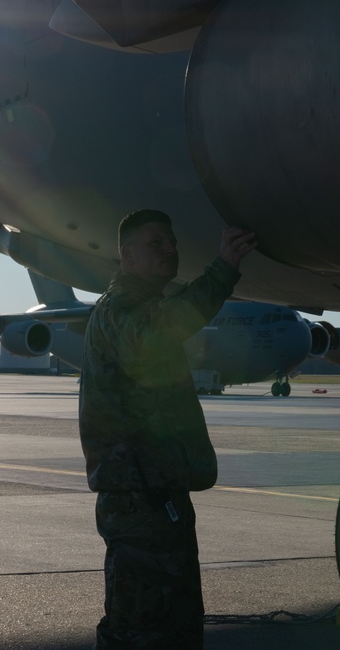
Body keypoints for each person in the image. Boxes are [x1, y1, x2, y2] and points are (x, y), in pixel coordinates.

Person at [78, 209, 256, 649]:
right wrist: (222, 271)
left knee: (174, 619)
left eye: (171, 243)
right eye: (156, 243)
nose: (170, 250)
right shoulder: (119, 311)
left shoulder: (143, 307)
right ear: (127, 254)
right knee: (137, 624)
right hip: (137, 499)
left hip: (158, 494)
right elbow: (158, 331)